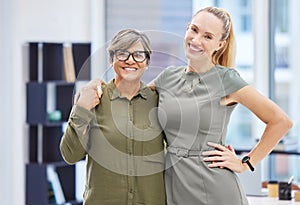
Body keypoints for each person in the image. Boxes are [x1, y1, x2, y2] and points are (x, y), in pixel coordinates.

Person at [149, 6, 293, 205]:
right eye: (194, 30)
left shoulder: (226, 80)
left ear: (220, 44)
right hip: (174, 185)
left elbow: (281, 121)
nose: (196, 40)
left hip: (215, 188)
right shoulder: (167, 77)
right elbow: (131, 100)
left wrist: (246, 163)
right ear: (186, 29)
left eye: (208, 37)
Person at [60, 29, 166, 205]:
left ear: (147, 62)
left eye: (139, 55)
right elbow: (70, 155)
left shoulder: (160, 103)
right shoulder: (94, 99)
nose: (130, 60)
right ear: (111, 59)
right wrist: (81, 108)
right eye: (123, 53)